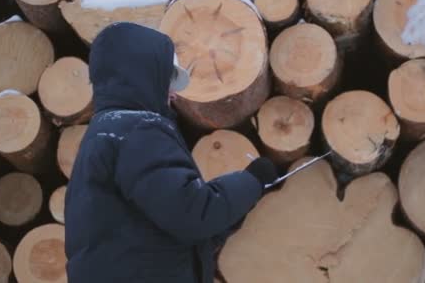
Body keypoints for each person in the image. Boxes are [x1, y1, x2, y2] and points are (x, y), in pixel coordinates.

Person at [64, 22, 279, 283]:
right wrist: (252, 180)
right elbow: (191, 214)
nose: (174, 95)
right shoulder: (138, 131)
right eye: (166, 79)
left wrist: (234, 209)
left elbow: (171, 231)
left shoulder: (107, 132)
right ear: (142, 75)